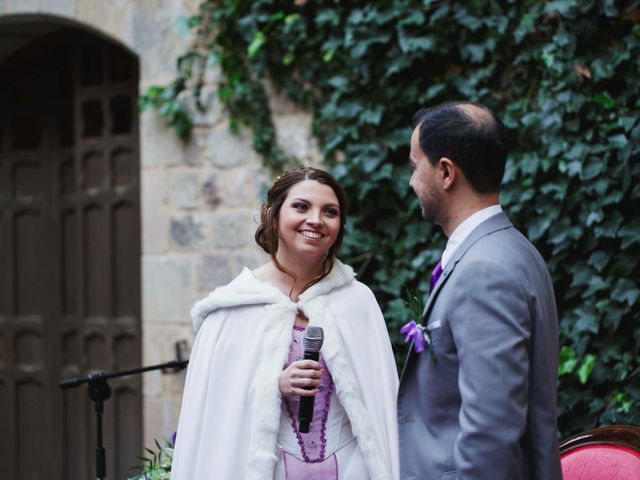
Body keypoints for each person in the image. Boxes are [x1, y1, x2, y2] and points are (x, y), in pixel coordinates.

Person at [171, 167, 399, 480]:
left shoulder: (358, 302)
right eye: (301, 207)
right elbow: (217, 417)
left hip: (350, 469)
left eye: (329, 212)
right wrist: (273, 385)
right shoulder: (231, 310)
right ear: (274, 217)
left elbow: (380, 407)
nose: (316, 219)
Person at [397, 101, 562, 480]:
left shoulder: (484, 270)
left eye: (414, 164)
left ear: (445, 173)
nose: (411, 181)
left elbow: (490, 433)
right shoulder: (513, 249)